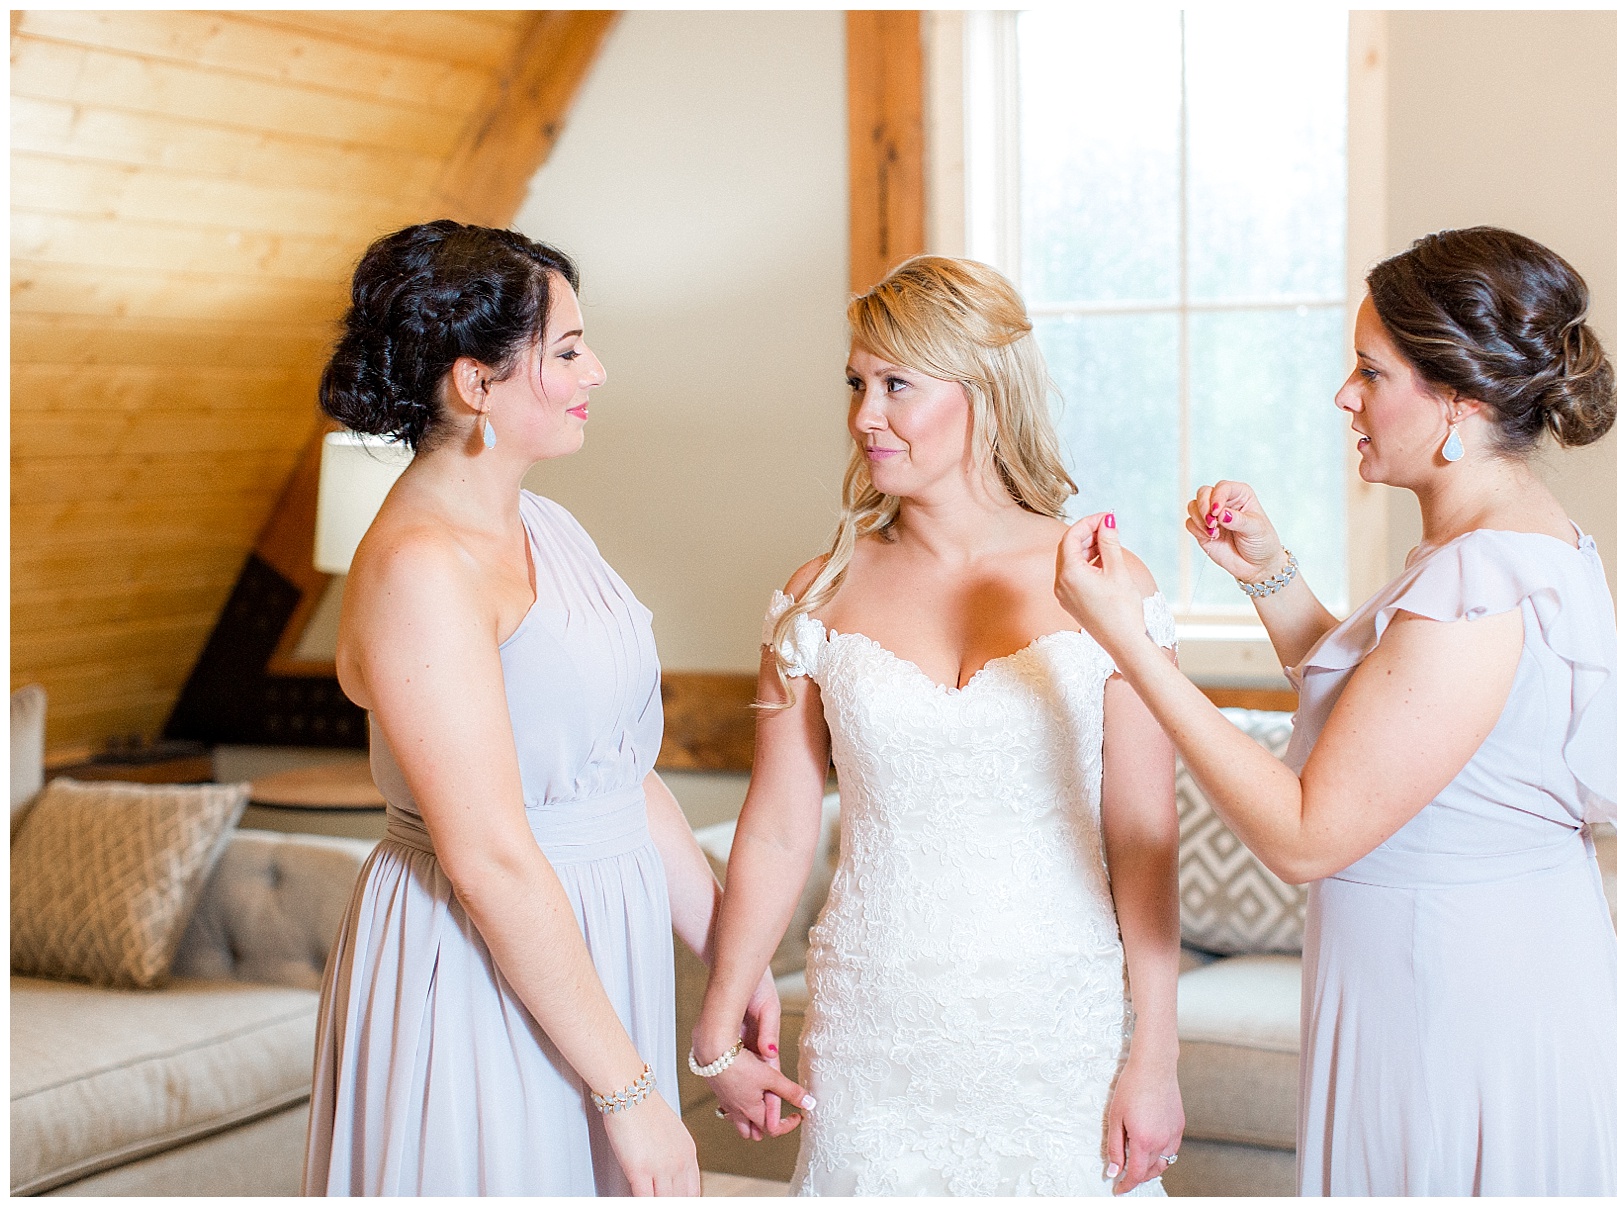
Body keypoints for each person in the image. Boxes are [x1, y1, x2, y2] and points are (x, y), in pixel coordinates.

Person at [1053, 226, 1617, 1196]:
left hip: (1458, 1010)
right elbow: (1389, 721)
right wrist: (1270, 571)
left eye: (1370, 372)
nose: (1346, 395)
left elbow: (1306, 835)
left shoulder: (1482, 577)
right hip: (1449, 978)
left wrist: (1127, 642)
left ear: (1457, 399)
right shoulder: (1487, 547)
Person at [301, 220, 783, 1196]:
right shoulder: (421, 568)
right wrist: (631, 1096)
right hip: (481, 965)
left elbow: (618, 770)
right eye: (565, 351)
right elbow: (488, 855)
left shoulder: (548, 525)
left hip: (592, 950)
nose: (594, 370)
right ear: (475, 383)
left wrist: (729, 961)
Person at [690, 256, 1186, 1195]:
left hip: (1056, 1026)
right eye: (857, 383)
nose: (863, 415)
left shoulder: (1107, 583)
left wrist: (1153, 1056)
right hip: (872, 1024)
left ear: (984, 392)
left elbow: (1144, 839)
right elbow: (779, 826)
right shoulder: (817, 595)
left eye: (896, 385)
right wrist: (719, 1031)